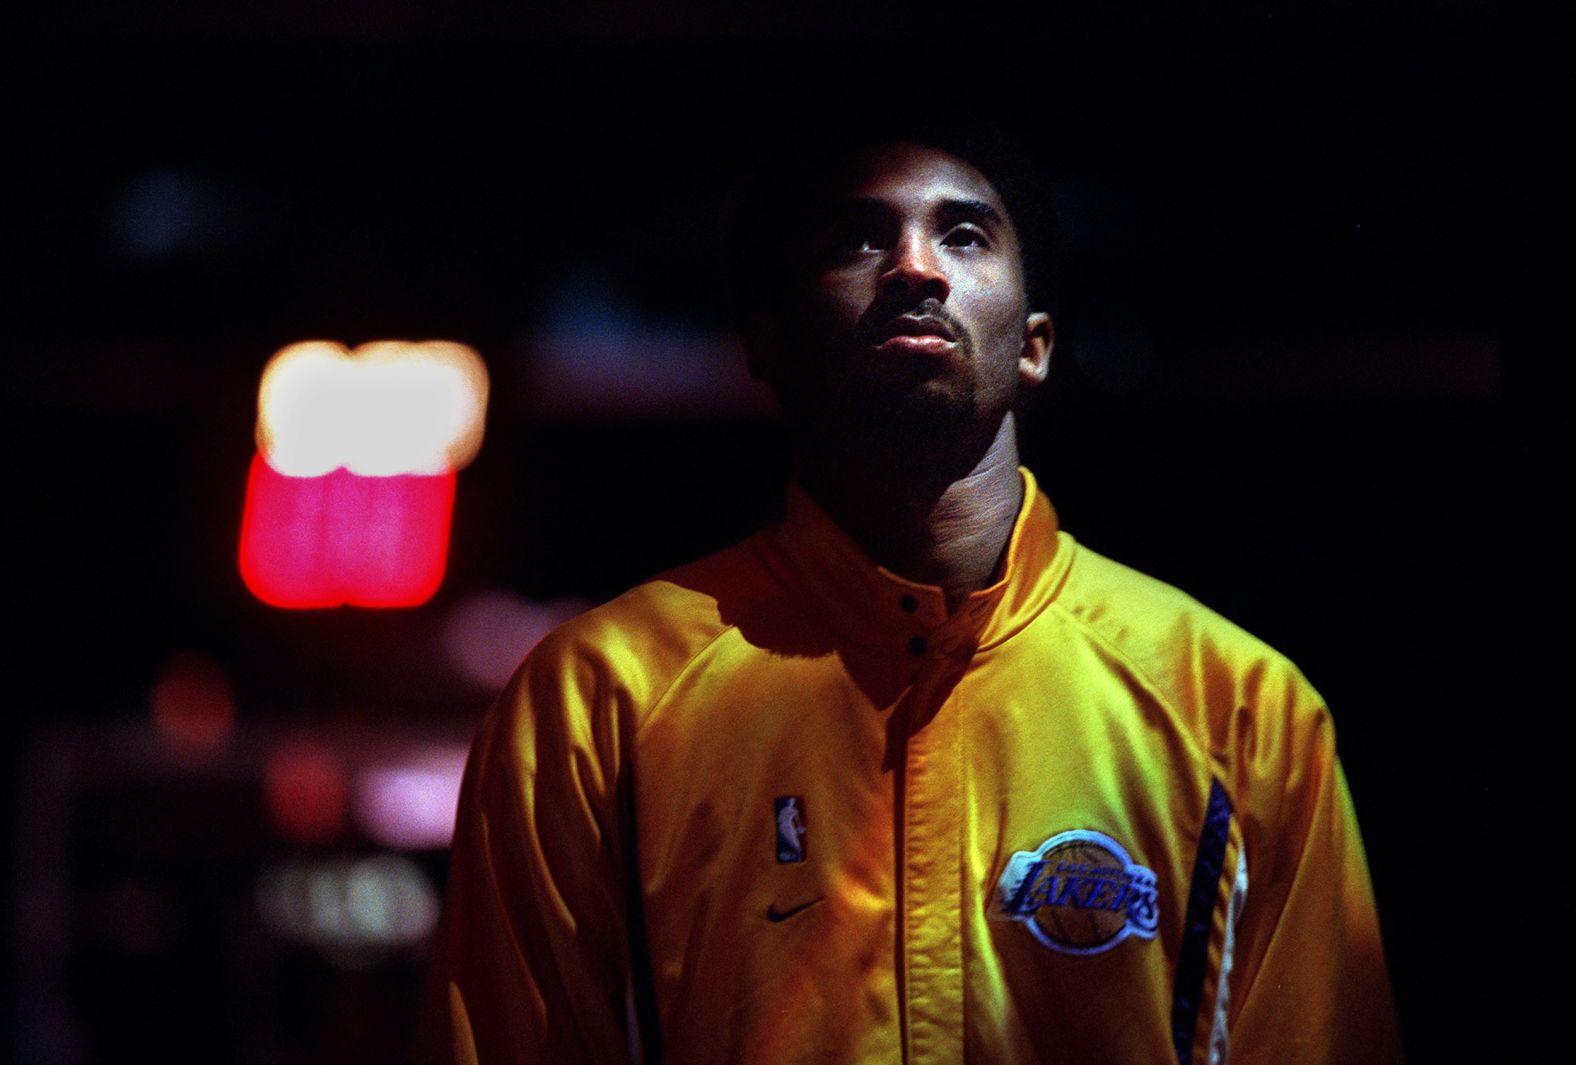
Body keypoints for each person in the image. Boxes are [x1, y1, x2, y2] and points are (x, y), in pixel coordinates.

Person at [423, 116, 1402, 1064]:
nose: (915, 267)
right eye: (859, 236)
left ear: (1035, 343)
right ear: (767, 344)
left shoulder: (1237, 708)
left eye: (965, 234)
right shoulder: (600, 702)